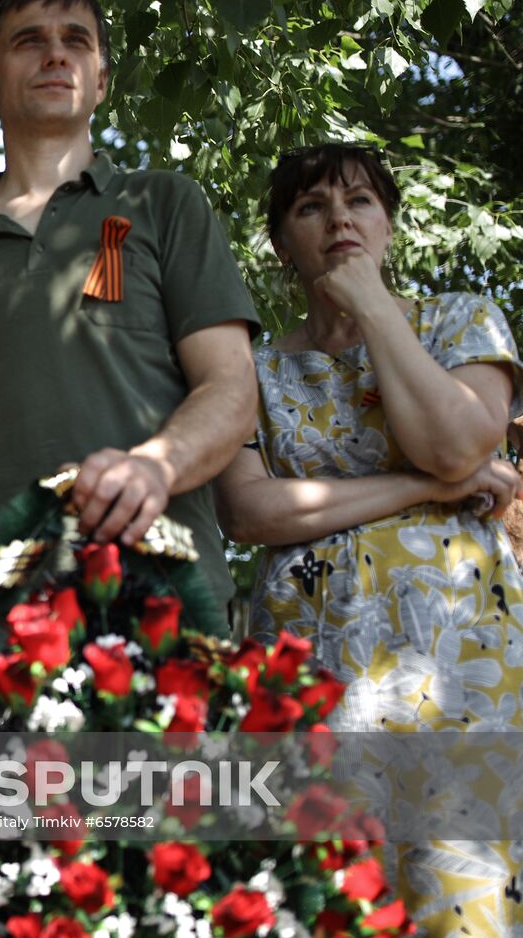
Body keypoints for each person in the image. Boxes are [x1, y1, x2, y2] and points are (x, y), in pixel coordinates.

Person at [0, 0, 260, 714]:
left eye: (77, 41)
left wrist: (157, 467)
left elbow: (231, 390)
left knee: (157, 828)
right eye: (29, 41)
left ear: (102, 79)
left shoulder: (166, 204)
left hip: (162, 603)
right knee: (25, 828)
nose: (55, 56)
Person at [213, 142, 523, 934]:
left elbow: (455, 443)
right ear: (282, 242)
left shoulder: (459, 320)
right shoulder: (249, 371)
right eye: (312, 207)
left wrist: (374, 306)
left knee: (466, 891)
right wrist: (427, 490)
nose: (339, 220)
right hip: (313, 667)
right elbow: (250, 514)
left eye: (359, 203)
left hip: (462, 664)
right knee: (328, 895)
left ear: (389, 222)